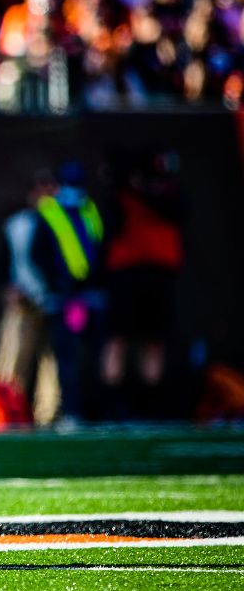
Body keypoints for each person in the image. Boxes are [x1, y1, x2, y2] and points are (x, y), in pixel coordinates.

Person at [99, 149, 184, 419]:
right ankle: (113, 408)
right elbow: (111, 229)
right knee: (118, 340)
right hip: (126, 277)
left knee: (153, 342)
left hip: (158, 277)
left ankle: (151, 407)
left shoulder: (170, 199)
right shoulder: (122, 199)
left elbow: (178, 213)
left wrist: (148, 190)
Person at [29, 161, 104, 426]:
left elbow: (99, 246)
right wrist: (57, 283)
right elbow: (37, 254)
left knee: (97, 356)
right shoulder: (49, 212)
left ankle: (99, 409)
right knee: (66, 358)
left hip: (91, 296)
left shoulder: (90, 209)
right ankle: (71, 411)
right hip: (64, 298)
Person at [0, 170, 60, 426]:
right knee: (13, 359)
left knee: (53, 363)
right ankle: (8, 413)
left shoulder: (66, 221)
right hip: (24, 300)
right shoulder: (17, 224)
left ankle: (48, 415)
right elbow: (3, 264)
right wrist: (9, 289)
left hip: (55, 301)